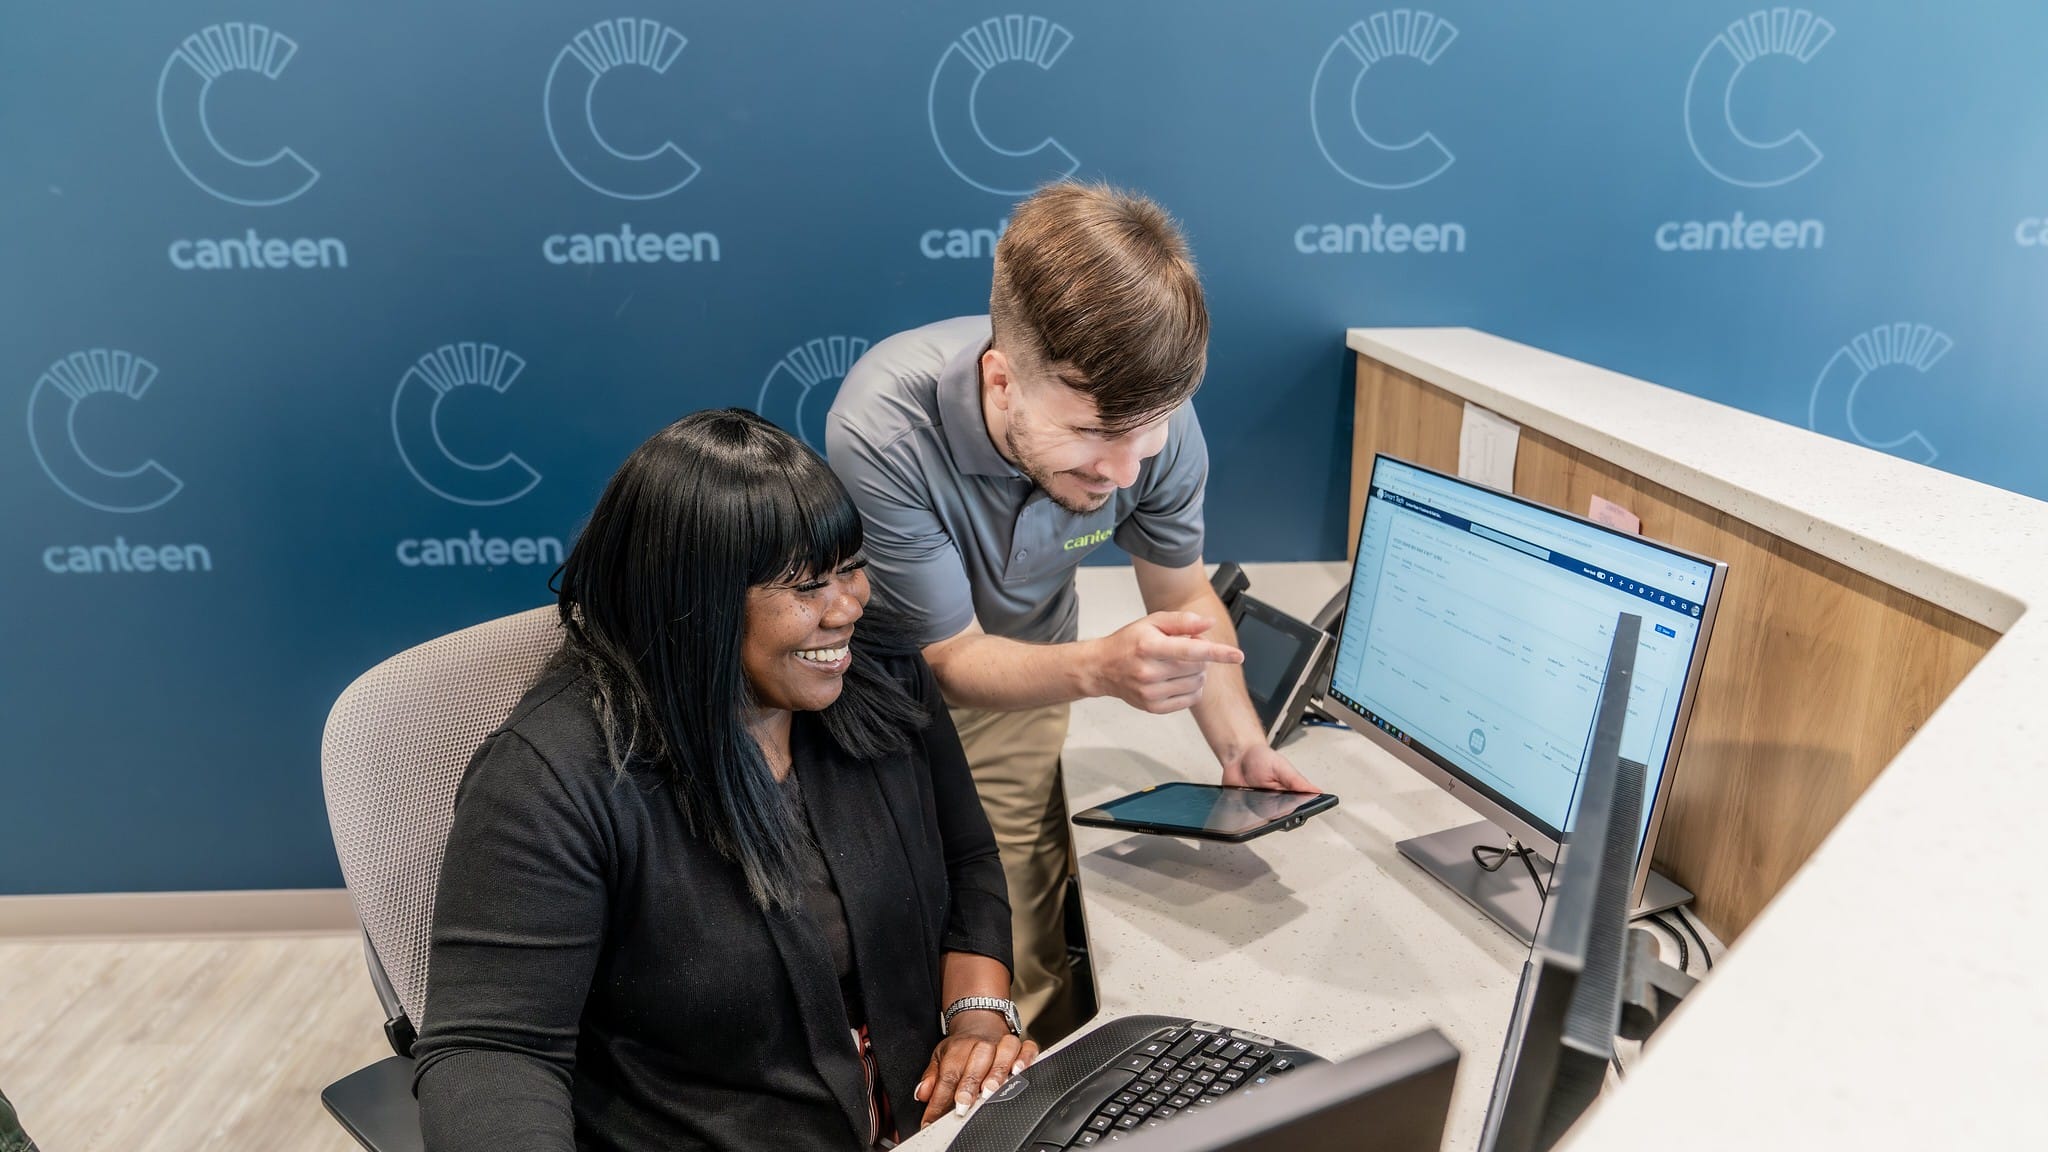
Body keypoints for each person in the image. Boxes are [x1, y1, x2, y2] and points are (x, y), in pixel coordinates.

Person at [413, 409, 1035, 1151]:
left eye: (851, 567)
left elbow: (966, 859)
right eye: (807, 586)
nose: (848, 606)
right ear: (694, 603)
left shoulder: (880, 670)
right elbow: (491, 1054)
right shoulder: (550, 782)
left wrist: (975, 1020)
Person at [827, 182, 1315, 1044]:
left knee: (1014, 930)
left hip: (1027, 682)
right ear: (1001, 379)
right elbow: (946, 657)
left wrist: (1241, 749)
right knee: (884, 930)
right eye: (1094, 433)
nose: (1124, 472)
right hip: (878, 692)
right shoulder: (884, 427)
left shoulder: (1153, 424)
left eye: (1150, 432)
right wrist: (1100, 668)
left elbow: (1181, 595)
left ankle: (1029, 1100)